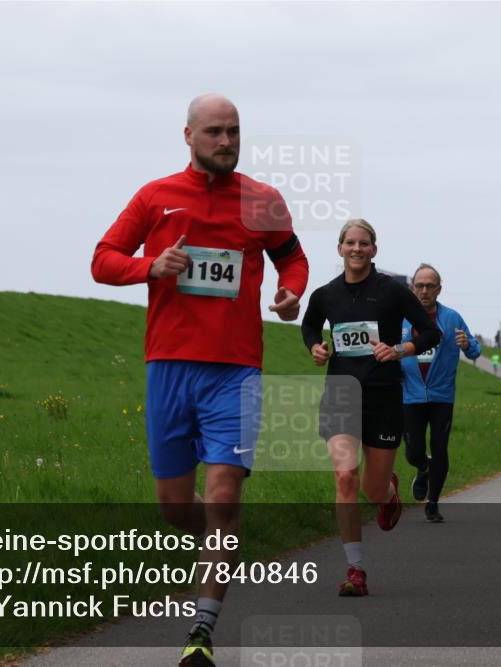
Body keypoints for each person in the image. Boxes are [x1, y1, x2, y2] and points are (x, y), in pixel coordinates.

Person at [91, 93, 309, 667]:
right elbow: (103, 259)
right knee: (172, 507)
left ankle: (200, 632)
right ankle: (222, 542)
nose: (226, 142)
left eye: (234, 131)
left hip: (236, 370)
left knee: (223, 495)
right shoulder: (156, 197)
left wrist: (292, 292)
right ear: (187, 136)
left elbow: (293, 258)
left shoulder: (263, 201)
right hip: (169, 366)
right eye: (214, 132)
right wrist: (150, 266)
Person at [301, 219, 440, 597]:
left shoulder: (392, 292)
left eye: (364, 243)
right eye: (350, 243)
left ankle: (388, 495)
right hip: (341, 392)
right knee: (345, 478)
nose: (357, 249)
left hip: (382, 393)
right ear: (340, 247)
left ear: (374, 250)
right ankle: (355, 568)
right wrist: (314, 346)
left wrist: (399, 349)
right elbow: (310, 326)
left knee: (372, 490)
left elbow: (431, 333)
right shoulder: (326, 294)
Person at [399, 264, 480, 523]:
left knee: (440, 447)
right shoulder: (401, 319)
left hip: (441, 395)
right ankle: (423, 468)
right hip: (410, 394)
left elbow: (475, 351)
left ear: (439, 289)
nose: (424, 291)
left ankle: (433, 504)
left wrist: (468, 344)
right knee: (413, 451)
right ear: (412, 288)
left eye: (429, 286)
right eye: (419, 286)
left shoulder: (451, 318)